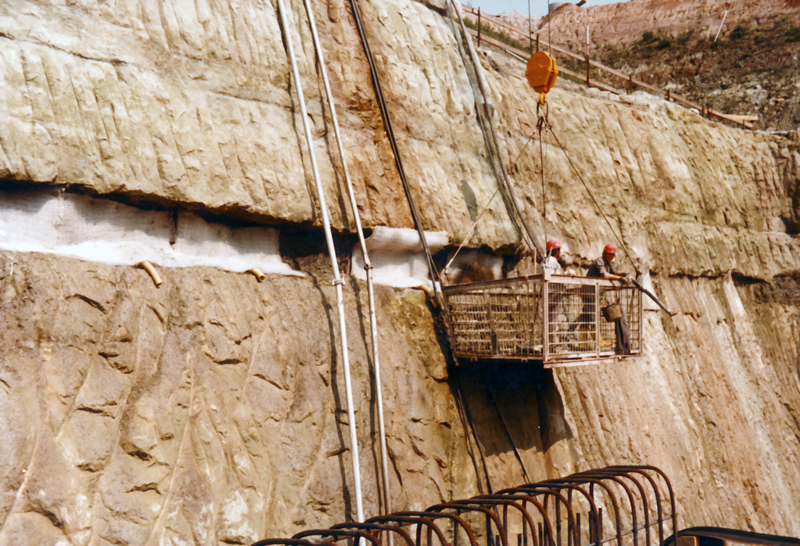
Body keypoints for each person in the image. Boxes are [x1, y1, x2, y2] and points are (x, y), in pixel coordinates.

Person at [587, 243, 631, 355]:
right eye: (610, 254)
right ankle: (598, 341)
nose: (611, 256)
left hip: (596, 292)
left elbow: (614, 273)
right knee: (591, 316)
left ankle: (573, 334)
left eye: (613, 255)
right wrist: (620, 278)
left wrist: (624, 274)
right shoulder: (599, 261)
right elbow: (605, 275)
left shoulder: (608, 263)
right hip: (588, 292)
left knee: (586, 315)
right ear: (605, 253)